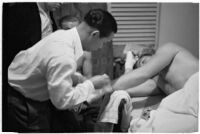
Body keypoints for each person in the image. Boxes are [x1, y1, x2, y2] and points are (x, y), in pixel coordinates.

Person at [7, 9, 117, 132]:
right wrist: (91, 84)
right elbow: (62, 101)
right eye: (104, 42)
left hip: (26, 89)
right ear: (95, 34)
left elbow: (51, 70)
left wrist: (80, 79)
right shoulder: (63, 54)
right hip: (22, 101)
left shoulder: (62, 35)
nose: (101, 47)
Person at [113, 43, 198, 132]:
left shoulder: (168, 49)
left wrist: (131, 60)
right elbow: (125, 88)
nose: (143, 66)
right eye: (139, 67)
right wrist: (128, 67)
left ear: (154, 55)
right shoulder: (156, 83)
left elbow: (144, 73)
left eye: (144, 61)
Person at [3, 2, 61, 131]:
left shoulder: (49, 15)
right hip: (21, 89)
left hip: (42, 89)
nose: (61, 3)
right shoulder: (19, 10)